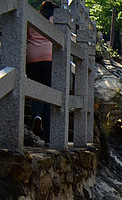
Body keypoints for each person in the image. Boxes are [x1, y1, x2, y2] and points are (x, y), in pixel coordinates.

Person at [26, 1, 57, 142]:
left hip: (32, 58)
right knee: (49, 93)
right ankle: (49, 133)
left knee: (35, 88)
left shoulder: (33, 17)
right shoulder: (55, 21)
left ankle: (37, 115)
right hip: (49, 58)